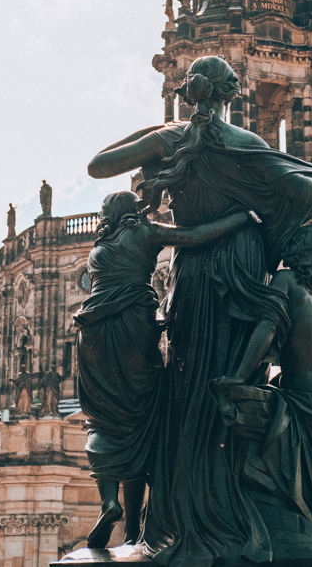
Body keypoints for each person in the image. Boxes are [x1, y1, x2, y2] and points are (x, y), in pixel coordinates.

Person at [87, 56, 312, 566]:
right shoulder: (252, 147)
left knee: (191, 384)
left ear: (188, 92)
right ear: (232, 95)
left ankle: (189, 517)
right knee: (234, 380)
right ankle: (237, 510)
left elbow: (99, 166)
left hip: (197, 269)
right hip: (245, 263)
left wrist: (165, 133)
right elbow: (305, 194)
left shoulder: (172, 137)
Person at [74, 190, 262, 550]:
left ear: (109, 214)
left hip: (93, 334)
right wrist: (242, 217)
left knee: (102, 421)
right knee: (144, 421)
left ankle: (110, 501)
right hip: (135, 327)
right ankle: (132, 525)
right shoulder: (146, 232)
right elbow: (194, 236)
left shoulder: (98, 248)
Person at [211, 225, 312, 557]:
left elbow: (269, 330)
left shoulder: (285, 281)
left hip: (309, 395)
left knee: (243, 445)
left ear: (300, 252)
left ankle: (263, 535)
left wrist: (238, 377)